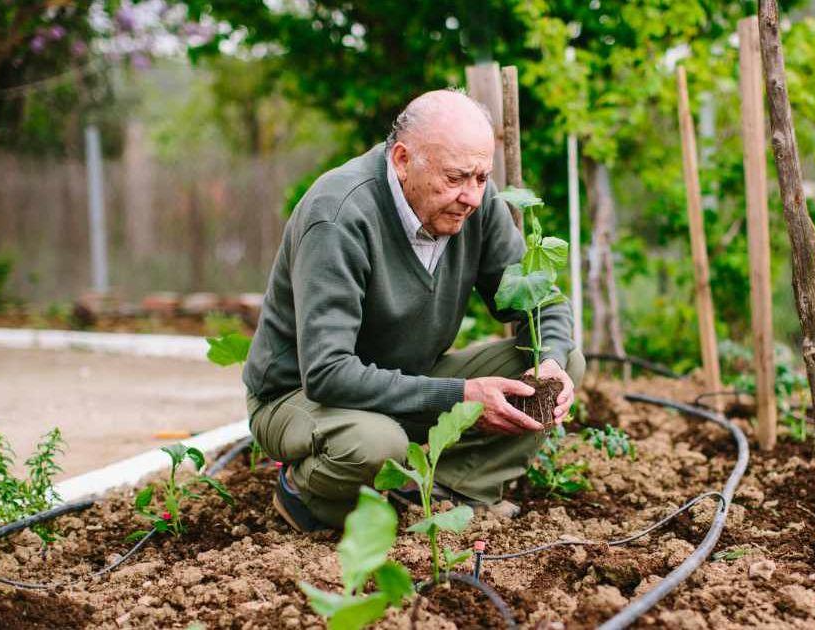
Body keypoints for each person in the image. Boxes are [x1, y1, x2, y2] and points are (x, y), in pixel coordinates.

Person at [243, 89, 584, 531]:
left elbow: (540, 304)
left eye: (481, 178)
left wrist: (551, 360)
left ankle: (444, 490)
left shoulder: (474, 205)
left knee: (556, 364)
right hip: (302, 397)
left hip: (407, 379)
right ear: (403, 159)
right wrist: (462, 396)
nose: (473, 196)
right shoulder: (339, 216)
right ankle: (306, 496)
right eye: (456, 178)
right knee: (374, 442)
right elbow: (327, 373)